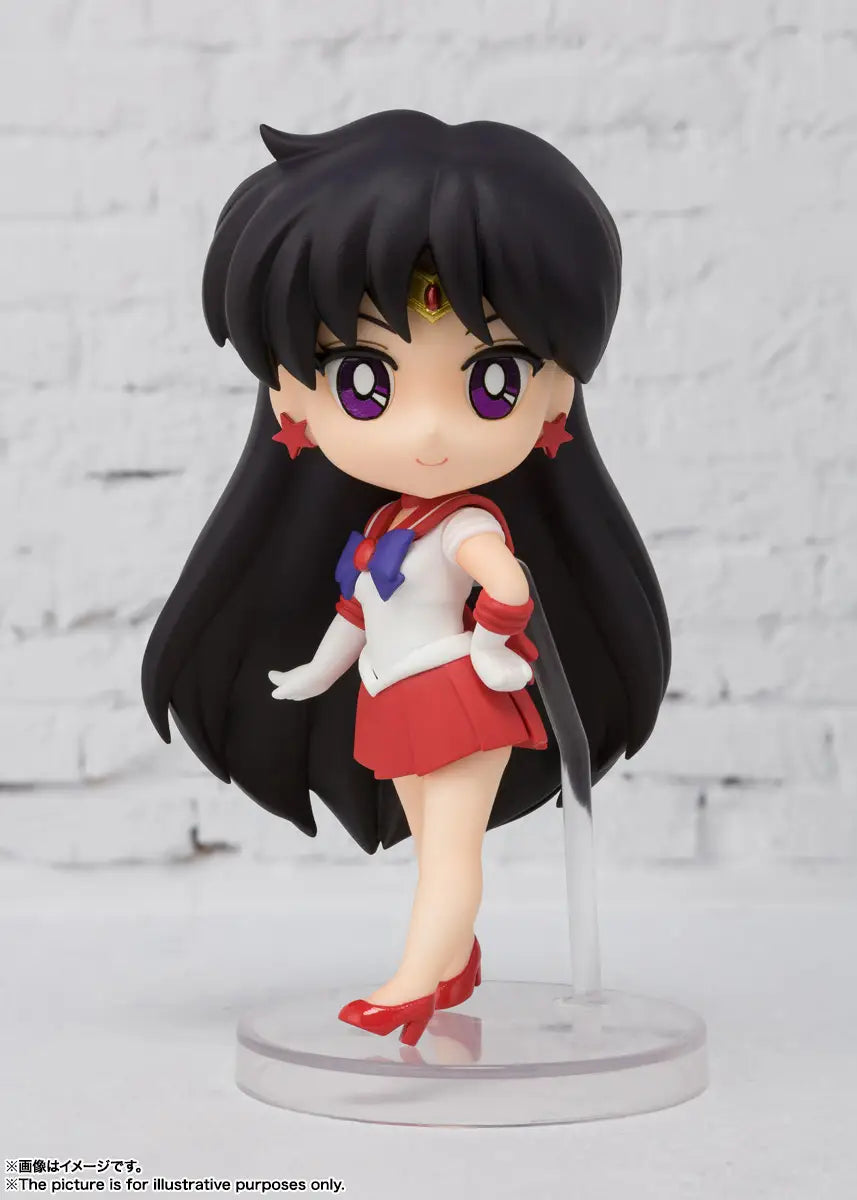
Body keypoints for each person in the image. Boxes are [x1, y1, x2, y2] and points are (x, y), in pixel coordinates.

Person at [142, 111, 670, 1046]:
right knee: (432, 838)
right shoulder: (384, 526)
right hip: (395, 694)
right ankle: (453, 958)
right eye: (365, 381)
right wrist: (316, 671)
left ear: (555, 390)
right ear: (292, 393)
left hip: (461, 697)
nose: (427, 431)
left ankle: (413, 978)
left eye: (492, 379)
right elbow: (355, 612)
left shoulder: (466, 524)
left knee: (451, 846)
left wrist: (495, 647)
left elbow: (509, 589)